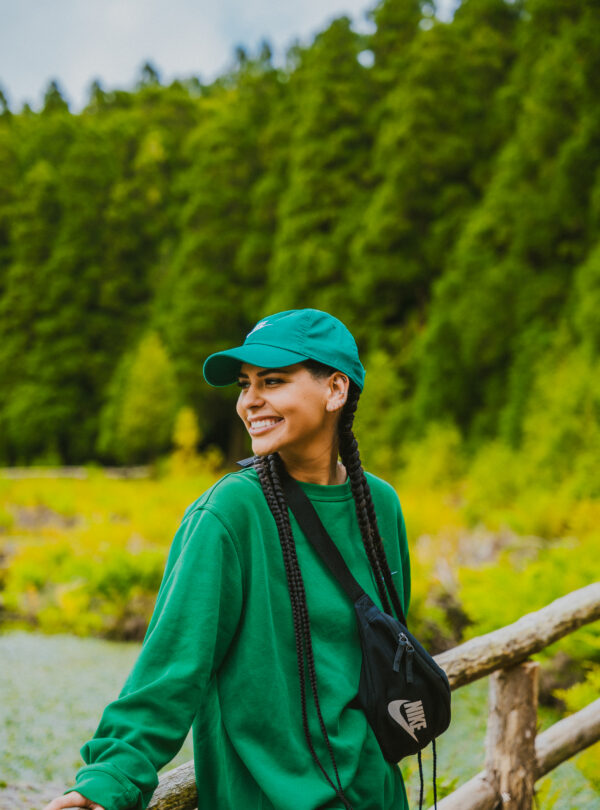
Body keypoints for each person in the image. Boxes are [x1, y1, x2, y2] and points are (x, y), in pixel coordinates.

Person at [43, 308, 411, 810]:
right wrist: (110, 777)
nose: (250, 401)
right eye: (244, 384)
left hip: (376, 797)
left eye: (274, 381)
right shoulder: (229, 513)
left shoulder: (379, 506)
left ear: (335, 391)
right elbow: (172, 665)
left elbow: (389, 653)